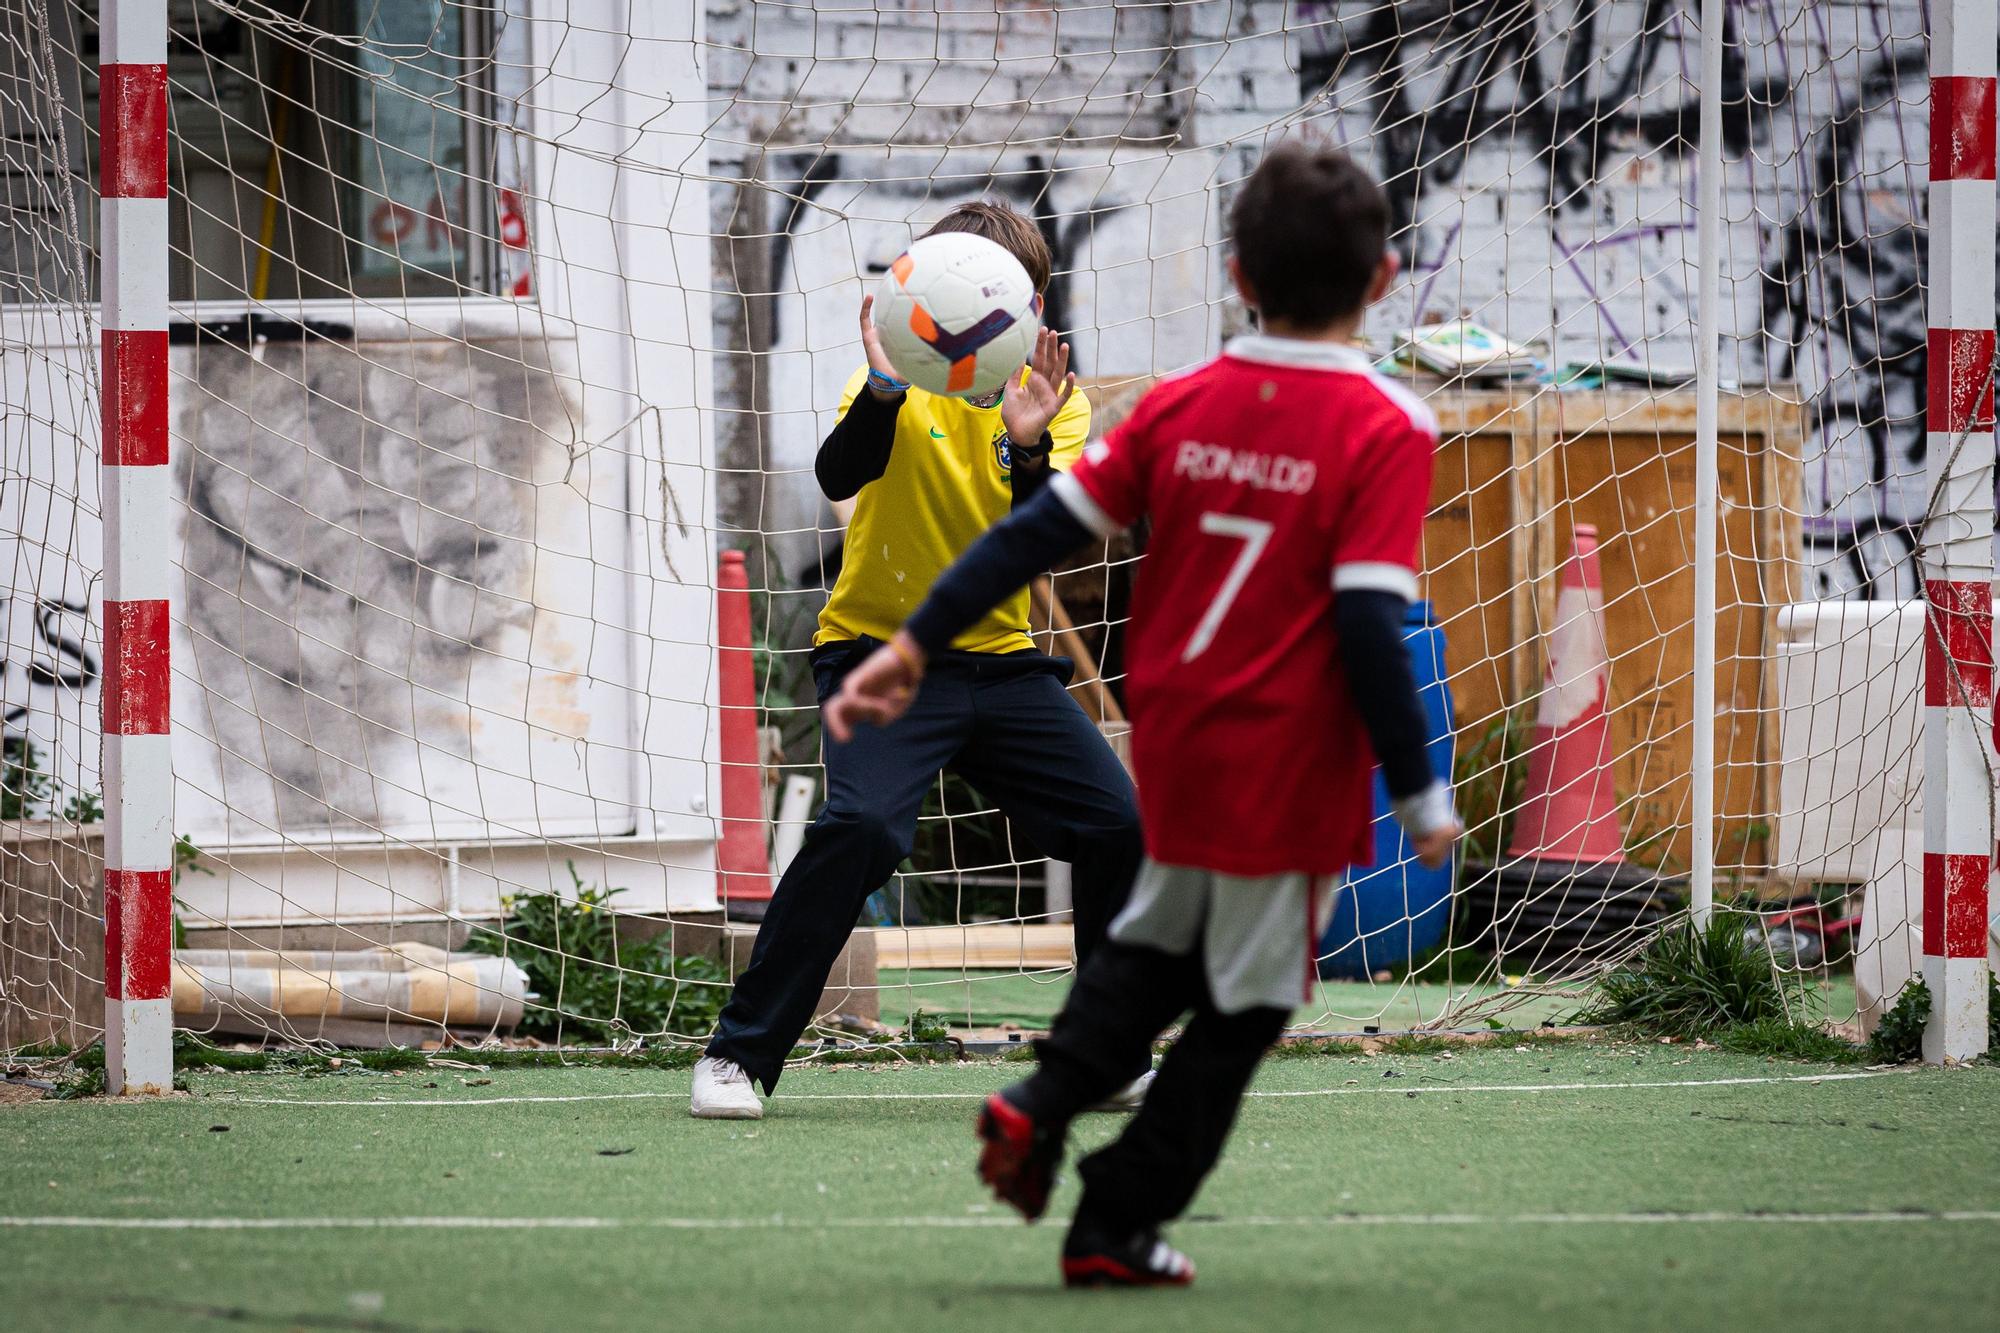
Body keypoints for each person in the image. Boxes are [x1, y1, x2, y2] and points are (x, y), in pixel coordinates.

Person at [823, 141, 1462, 1286]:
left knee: (1164, 951)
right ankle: (1112, 1204)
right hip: (1286, 762)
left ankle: (1043, 1101)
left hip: (1176, 735)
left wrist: (911, 643)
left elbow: (1029, 537)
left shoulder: (1178, 405)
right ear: (1380, 283)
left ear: (1233, 274)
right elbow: (1369, 626)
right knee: (1248, 1004)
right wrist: (1416, 789)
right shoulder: (1387, 425)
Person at [692, 202, 1148, 1120]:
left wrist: (1026, 444)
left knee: (1120, 824)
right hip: (880, 659)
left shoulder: (1054, 400)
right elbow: (836, 475)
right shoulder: (894, 373)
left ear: (1030, 307)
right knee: (861, 831)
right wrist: (883, 391)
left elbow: (1044, 535)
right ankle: (739, 1055)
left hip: (1001, 665)